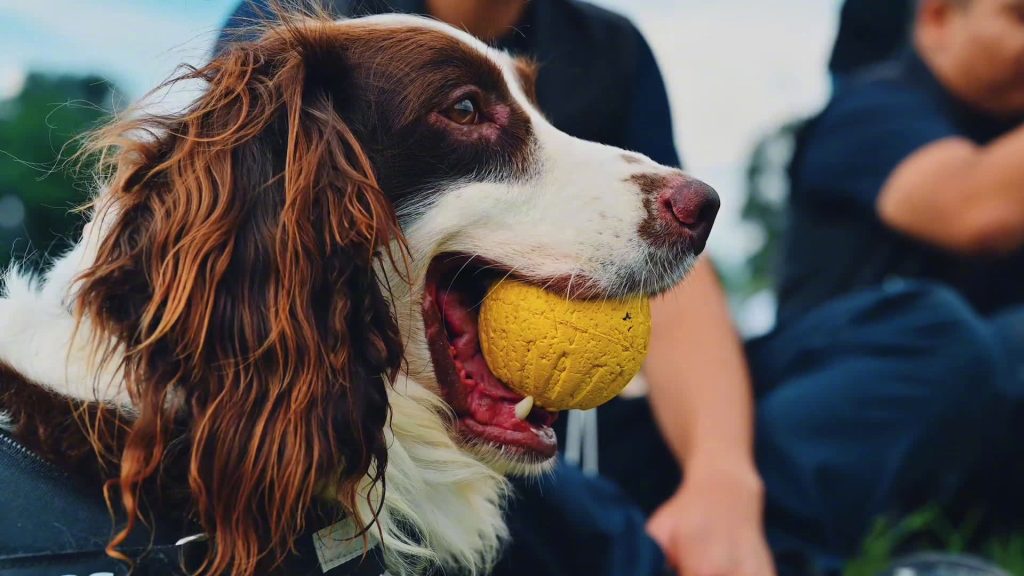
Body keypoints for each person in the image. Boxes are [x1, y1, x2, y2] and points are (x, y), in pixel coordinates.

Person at [216, 2, 775, 576]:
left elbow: (680, 309)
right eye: (465, 110)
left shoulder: (610, 46)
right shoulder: (306, 46)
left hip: (557, 445)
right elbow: (251, 242)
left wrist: (722, 482)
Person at [752, 0, 1024, 571]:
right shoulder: (871, 109)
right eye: (1020, 18)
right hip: (837, 439)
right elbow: (975, 209)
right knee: (938, 331)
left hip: (970, 461)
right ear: (938, 18)